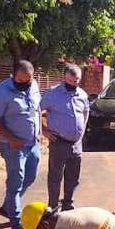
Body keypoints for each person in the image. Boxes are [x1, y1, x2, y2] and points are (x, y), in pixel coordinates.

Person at [0, 60, 41, 229]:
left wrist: (39, 130)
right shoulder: (3, 92)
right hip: (13, 146)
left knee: (31, 177)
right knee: (16, 182)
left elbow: (36, 109)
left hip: (32, 143)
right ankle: (16, 223)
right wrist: (11, 139)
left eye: (28, 80)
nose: (25, 84)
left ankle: (7, 207)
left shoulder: (33, 85)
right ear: (14, 75)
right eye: (21, 81)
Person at [40, 64, 89, 212]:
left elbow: (86, 113)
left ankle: (68, 204)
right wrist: (44, 130)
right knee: (55, 176)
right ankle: (53, 206)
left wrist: (81, 132)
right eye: (71, 81)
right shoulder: (53, 93)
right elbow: (37, 109)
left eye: (77, 81)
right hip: (58, 142)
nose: (74, 84)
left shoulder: (82, 95)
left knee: (73, 176)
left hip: (76, 143)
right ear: (65, 78)